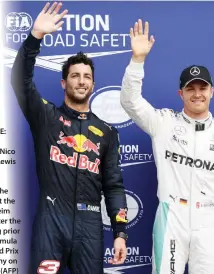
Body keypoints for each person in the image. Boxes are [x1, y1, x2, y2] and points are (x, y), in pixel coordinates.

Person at [120, 19, 214, 273]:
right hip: (171, 216)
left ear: (212, 92)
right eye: (191, 88)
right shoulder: (163, 122)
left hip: (208, 220)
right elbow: (130, 101)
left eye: (202, 88)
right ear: (181, 93)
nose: (197, 93)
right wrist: (137, 61)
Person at [11, 3, 128, 273]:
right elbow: (20, 81)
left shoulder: (107, 133)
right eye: (75, 76)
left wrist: (120, 232)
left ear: (93, 85)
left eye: (87, 76)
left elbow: (113, 186)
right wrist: (35, 37)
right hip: (51, 222)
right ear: (64, 83)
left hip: (90, 225)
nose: (81, 81)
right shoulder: (46, 117)